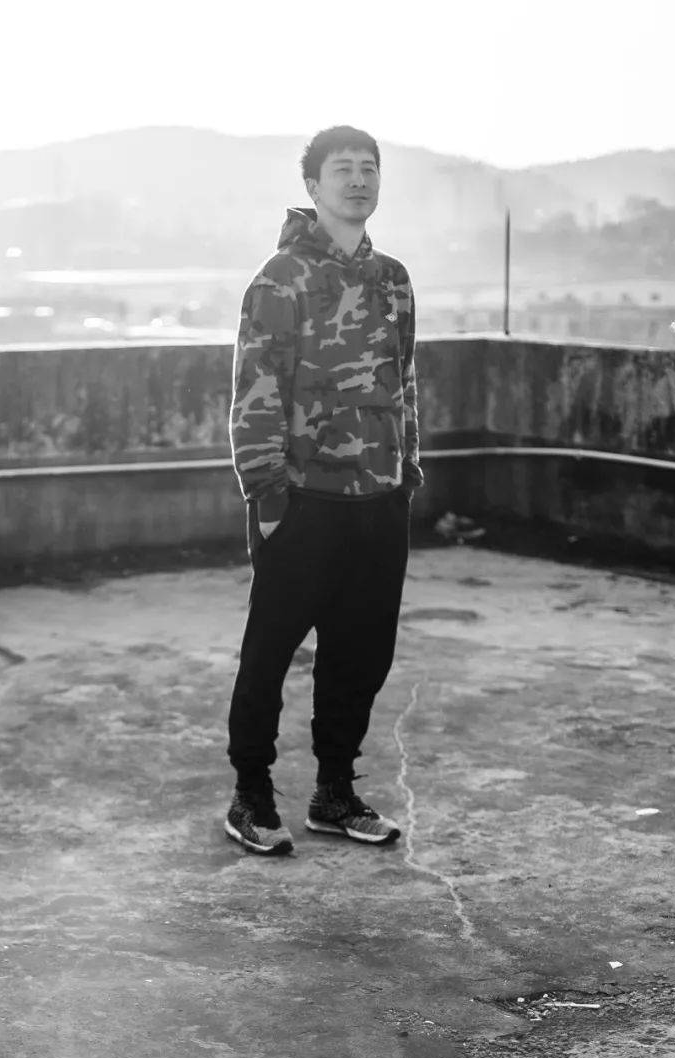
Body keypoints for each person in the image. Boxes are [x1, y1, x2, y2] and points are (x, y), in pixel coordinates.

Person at [224, 125, 423, 855]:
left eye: (369, 168)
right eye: (343, 169)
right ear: (313, 186)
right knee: (269, 654)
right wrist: (267, 495)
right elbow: (255, 393)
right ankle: (250, 794)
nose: (359, 180)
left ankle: (334, 794)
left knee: (361, 657)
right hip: (303, 500)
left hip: (379, 502)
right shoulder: (281, 278)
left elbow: (404, 383)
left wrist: (407, 474)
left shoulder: (393, 279)